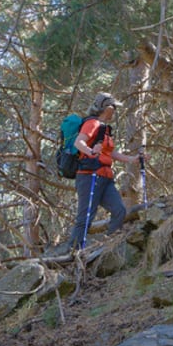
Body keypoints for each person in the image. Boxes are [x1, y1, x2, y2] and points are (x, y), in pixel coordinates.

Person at [67, 92, 143, 251]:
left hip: (105, 178)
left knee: (119, 210)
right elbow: (78, 142)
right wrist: (90, 151)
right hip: (89, 176)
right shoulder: (92, 123)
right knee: (86, 217)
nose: (115, 111)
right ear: (106, 107)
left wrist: (132, 159)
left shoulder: (105, 129)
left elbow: (110, 153)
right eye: (113, 107)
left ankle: (108, 247)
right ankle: (73, 252)